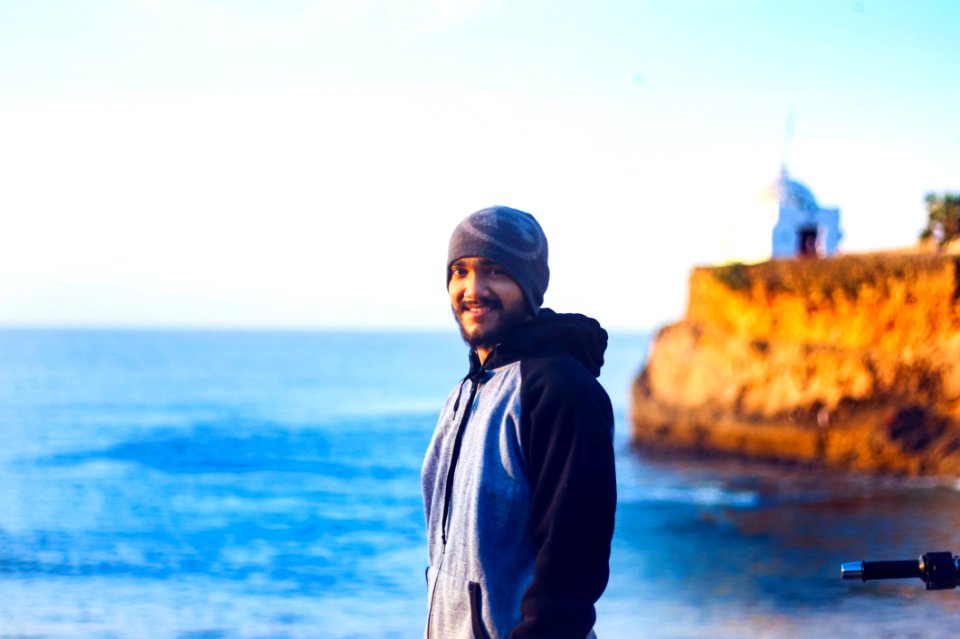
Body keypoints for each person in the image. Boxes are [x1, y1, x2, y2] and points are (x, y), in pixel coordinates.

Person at [422, 205, 617, 639]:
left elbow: (570, 570)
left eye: (494, 271)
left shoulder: (562, 390)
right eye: (460, 271)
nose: (473, 289)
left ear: (529, 285)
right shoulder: (466, 392)